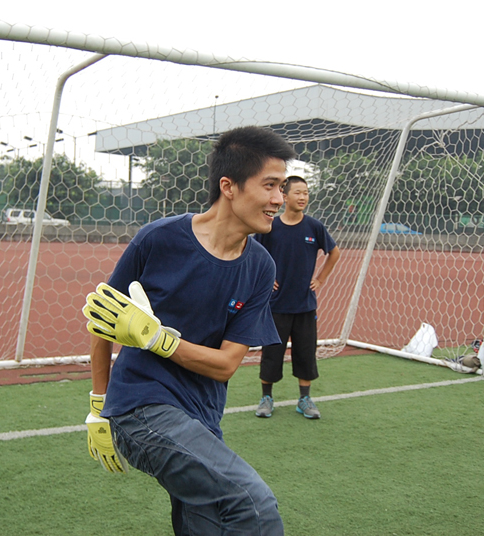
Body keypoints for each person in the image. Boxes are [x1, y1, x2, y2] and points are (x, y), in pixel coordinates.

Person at [82, 126, 296, 535]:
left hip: (203, 418)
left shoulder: (260, 267)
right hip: (140, 408)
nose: (278, 199)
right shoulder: (158, 239)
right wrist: (97, 406)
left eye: (282, 187)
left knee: (209, 525)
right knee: (252, 505)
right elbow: (104, 319)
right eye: (270, 185)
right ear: (228, 186)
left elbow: (226, 364)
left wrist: (158, 339)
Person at [254, 175, 340, 420]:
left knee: (305, 353)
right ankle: (266, 398)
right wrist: (265, 279)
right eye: (298, 192)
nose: (303, 197)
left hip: (305, 305)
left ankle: (304, 399)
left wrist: (320, 279)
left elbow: (334, 253)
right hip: (276, 305)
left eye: (306, 193)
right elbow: (252, 252)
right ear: (284, 196)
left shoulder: (314, 227)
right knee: (272, 353)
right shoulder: (271, 226)